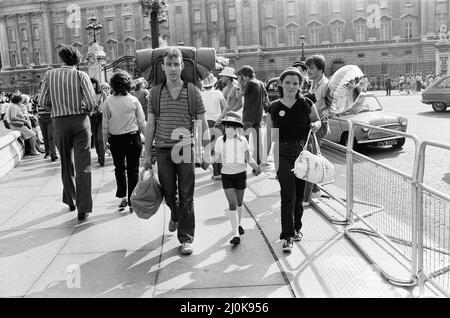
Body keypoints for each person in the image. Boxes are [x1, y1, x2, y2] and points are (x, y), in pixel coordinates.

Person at [143, 47, 211, 256]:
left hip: (185, 149)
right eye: (169, 65)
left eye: (176, 64)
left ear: (182, 66)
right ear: (162, 67)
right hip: (163, 149)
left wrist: (206, 151)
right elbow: (150, 125)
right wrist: (147, 154)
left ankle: (186, 238)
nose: (172, 69)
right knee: (169, 192)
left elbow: (203, 124)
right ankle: (175, 213)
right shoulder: (155, 93)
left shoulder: (193, 92)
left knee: (187, 194)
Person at [265, 67, 321, 252]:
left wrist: (315, 125)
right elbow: (270, 137)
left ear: (300, 85)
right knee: (287, 194)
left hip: (302, 154)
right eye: (287, 82)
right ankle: (287, 235)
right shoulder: (273, 108)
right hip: (282, 154)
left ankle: (297, 228)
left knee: (298, 195)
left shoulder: (306, 103)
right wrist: (263, 159)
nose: (291, 86)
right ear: (281, 83)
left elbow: (318, 121)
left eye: (295, 83)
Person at [38, 44, 96, 221]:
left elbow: (42, 101)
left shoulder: (49, 75)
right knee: (83, 165)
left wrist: (56, 107)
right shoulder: (81, 75)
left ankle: (70, 200)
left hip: (60, 122)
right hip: (80, 121)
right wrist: (82, 109)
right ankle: (83, 207)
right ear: (76, 60)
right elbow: (92, 102)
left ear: (61, 59)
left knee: (66, 163)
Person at [213, 111, 261, 245]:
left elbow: (248, 158)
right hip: (227, 175)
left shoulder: (243, 141)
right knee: (232, 203)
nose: (229, 130)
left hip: (240, 175)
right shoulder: (219, 141)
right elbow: (215, 158)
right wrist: (205, 162)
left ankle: (238, 224)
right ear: (224, 128)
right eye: (227, 127)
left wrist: (256, 167)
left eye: (233, 127)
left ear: (237, 129)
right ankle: (235, 234)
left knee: (239, 202)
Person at [102, 71, 147, 213]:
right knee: (133, 170)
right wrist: (149, 140)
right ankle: (132, 200)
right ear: (128, 84)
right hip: (133, 138)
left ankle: (122, 198)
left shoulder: (108, 101)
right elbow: (142, 122)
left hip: (116, 139)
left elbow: (105, 125)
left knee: (119, 168)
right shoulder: (133, 100)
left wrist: (104, 143)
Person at [303, 55, 329, 205]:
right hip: (313, 124)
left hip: (319, 124)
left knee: (312, 159)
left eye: (312, 68)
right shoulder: (314, 83)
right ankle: (315, 190)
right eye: (307, 68)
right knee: (313, 157)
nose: (308, 71)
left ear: (321, 69)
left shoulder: (325, 84)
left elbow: (326, 106)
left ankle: (309, 195)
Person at [236, 65, 265, 165]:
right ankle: (258, 160)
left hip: (248, 116)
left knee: (245, 139)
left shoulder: (250, 83)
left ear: (244, 75)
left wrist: (239, 83)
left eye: (240, 76)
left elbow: (238, 95)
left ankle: (244, 160)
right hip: (258, 116)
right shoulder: (260, 83)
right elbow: (266, 99)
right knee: (257, 140)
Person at [200, 73, 227, 180]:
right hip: (218, 122)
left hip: (206, 123)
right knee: (219, 147)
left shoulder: (201, 94)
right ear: (213, 83)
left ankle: (216, 173)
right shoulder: (218, 93)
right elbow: (226, 107)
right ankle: (221, 172)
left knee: (211, 148)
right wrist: (220, 118)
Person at [36, 84, 58, 161]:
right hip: (41, 118)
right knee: (45, 137)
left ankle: (53, 154)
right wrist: (37, 115)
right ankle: (47, 152)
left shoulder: (52, 95)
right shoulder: (37, 95)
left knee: (51, 136)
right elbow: (33, 105)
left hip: (50, 118)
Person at [89, 77, 107, 167]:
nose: (92, 85)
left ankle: (101, 158)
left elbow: (107, 105)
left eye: (94, 83)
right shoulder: (88, 94)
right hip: (92, 118)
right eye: (90, 83)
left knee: (100, 138)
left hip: (101, 117)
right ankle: (99, 153)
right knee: (95, 138)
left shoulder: (103, 94)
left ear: (96, 84)